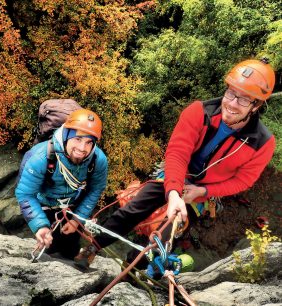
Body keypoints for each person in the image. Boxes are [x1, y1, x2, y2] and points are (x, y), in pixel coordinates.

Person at [74, 58, 276, 270]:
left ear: (257, 105)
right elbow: (178, 153)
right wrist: (173, 192)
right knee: (132, 210)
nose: (232, 103)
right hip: (175, 174)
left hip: (202, 192)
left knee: (165, 237)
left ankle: (132, 268)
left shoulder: (261, 142)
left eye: (244, 100)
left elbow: (243, 181)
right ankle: (92, 247)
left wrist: (203, 190)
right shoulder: (199, 112)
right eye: (231, 93)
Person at [15, 108, 108, 259]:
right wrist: (40, 225)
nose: (82, 148)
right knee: (48, 247)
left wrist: (77, 220)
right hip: (45, 203)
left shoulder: (98, 160)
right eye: (77, 139)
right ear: (66, 135)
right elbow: (25, 193)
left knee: (71, 247)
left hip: (73, 205)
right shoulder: (40, 157)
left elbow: (96, 189)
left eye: (88, 142)